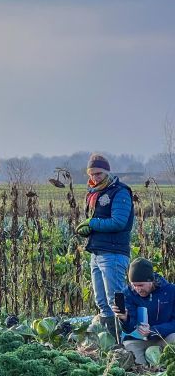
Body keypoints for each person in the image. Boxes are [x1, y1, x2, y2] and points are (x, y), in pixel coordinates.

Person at [75, 153, 133, 325]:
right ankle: (111, 343)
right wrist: (88, 230)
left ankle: (125, 340)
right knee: (102, 303)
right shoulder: (94, 193)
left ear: (107, 172)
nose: (95, 177)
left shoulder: (119, 192)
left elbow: (119, 222)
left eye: (98, 173)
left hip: (113, 253)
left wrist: (92, 223)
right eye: (91, 174)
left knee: (116, 302)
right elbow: (98, 221)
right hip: (97, 252)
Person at [109, 257, 175, 365]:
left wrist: (153, 330)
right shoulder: (128, 293)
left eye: (141, 285)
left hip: (163, 337)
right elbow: (129, 328)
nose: (137, 289)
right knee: (134, 361)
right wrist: (124, 319)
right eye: (134, 285)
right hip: (138, 341)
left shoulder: (170, 291)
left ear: (151, 280)